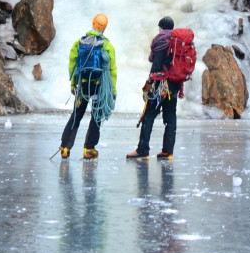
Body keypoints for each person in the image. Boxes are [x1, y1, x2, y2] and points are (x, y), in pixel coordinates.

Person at [60, 12, 117, 160]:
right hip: (99, 85)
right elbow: (112, 70)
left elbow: (73, 64)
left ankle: (65, 147)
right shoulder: (107, 45)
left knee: (76, 115)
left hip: (83, 85)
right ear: (104, 28)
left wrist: (73, 83)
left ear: (93, 23)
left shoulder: (79, 42)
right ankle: (89, 148)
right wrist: (113, 91)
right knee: (96, 116)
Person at [128, 15, 184, 162]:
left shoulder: (162, 40)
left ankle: (142, 150)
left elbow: (156, 64)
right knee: (170, 117)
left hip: (161, 84)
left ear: (161, 27)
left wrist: (150, 81)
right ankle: (167, 151)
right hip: (174, 84)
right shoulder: (178, 41)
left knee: (149, 116)